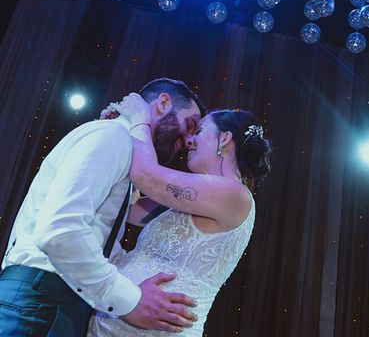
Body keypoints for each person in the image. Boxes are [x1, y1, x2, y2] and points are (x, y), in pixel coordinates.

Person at [0, 78, 205, 336]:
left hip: (56, 298)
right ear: (163, 103)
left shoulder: (123, 149)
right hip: (42, 299)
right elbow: (61, 230)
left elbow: (106, 233)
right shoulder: (112, 136)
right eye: (190, 125)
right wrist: (131, 301)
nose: (188, 140)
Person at [87, 93, 272, 336]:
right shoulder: (192, 199)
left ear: (224, 138)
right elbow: (125, 211)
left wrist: (139, 118)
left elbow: (147, 176)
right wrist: (116, 133)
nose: (189, 141)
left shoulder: (235, 196)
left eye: (200, 131)